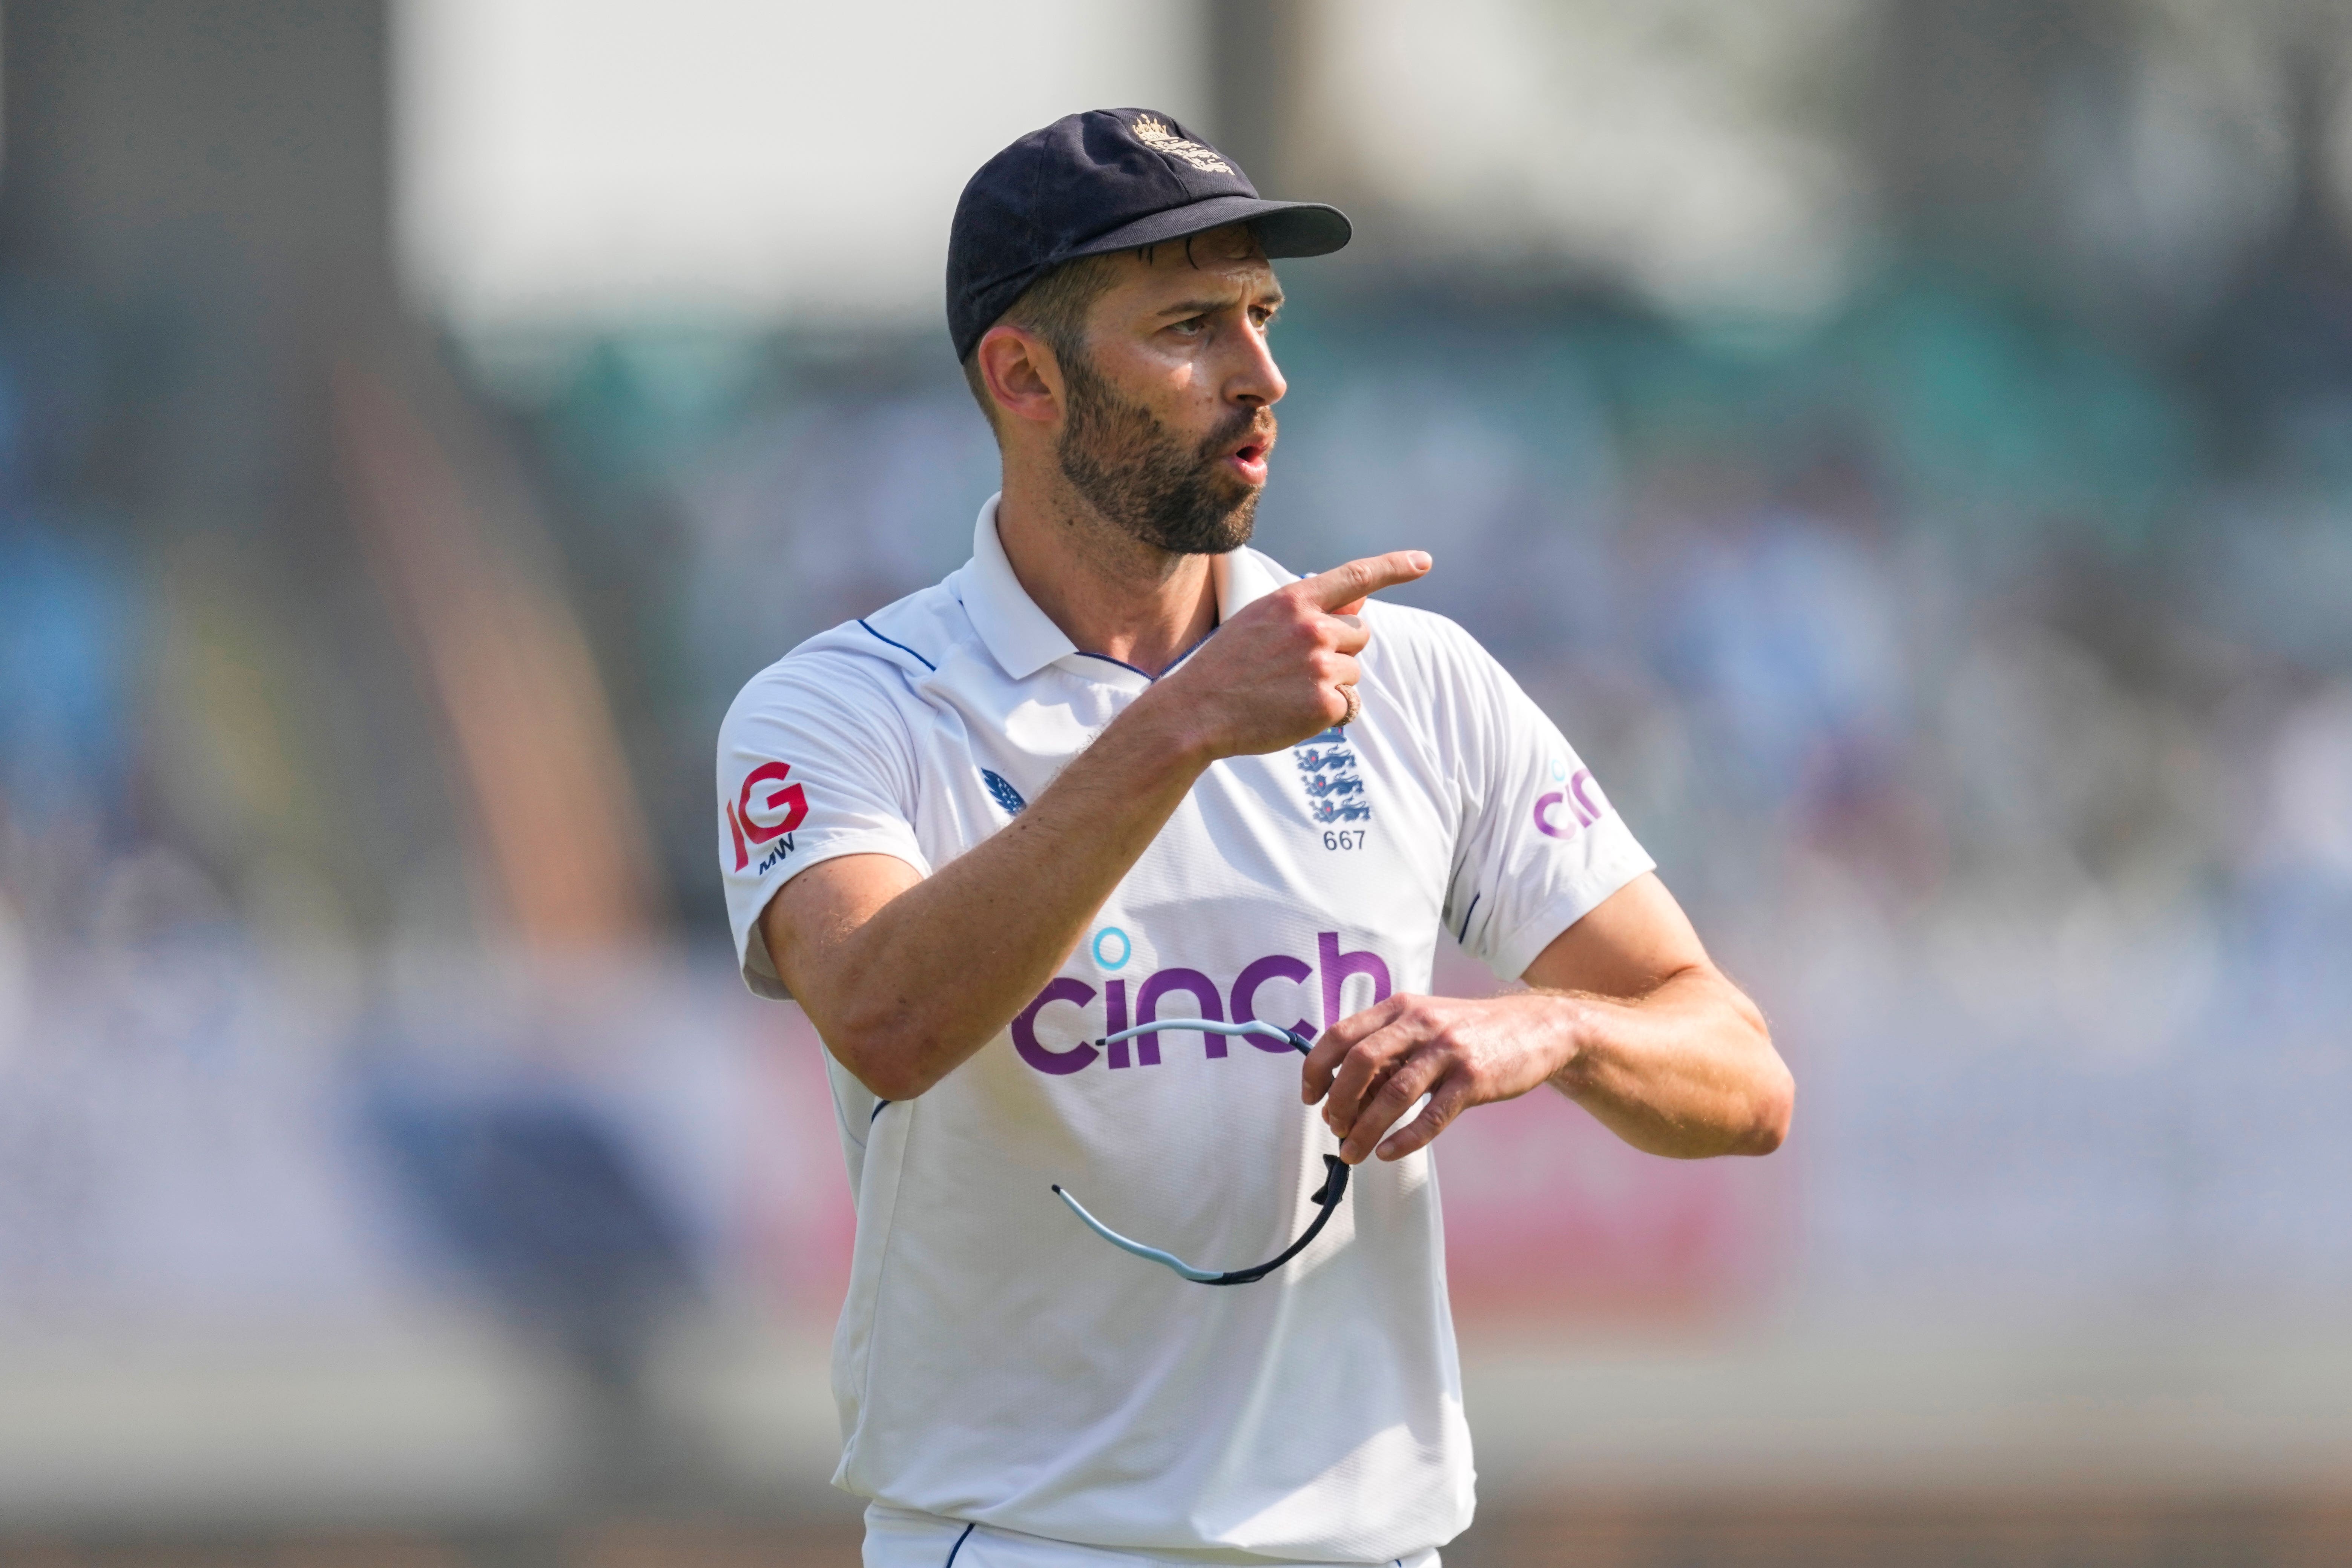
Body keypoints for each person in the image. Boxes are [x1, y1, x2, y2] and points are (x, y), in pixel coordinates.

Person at [716, 109, 1792, 1568]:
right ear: (1024, 375)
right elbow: (888, 1019)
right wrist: (1181, 722)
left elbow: (1740, 1073)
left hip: (1374, 1547)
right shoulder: (838, 709)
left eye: (1264, 316)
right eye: (1189, 327)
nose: (1260, 374)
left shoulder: (1415, 680)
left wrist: (1551, 1032)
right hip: (1027, 1541)